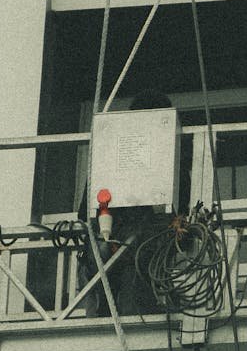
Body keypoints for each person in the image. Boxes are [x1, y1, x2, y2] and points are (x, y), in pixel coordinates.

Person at [79, 90, 191, 317]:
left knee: (131, 299)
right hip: (114, 251)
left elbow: (179, 218)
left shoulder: (166, 166)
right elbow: (88, 213)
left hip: (138, 257)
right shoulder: (110, 162)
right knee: (116, 296)